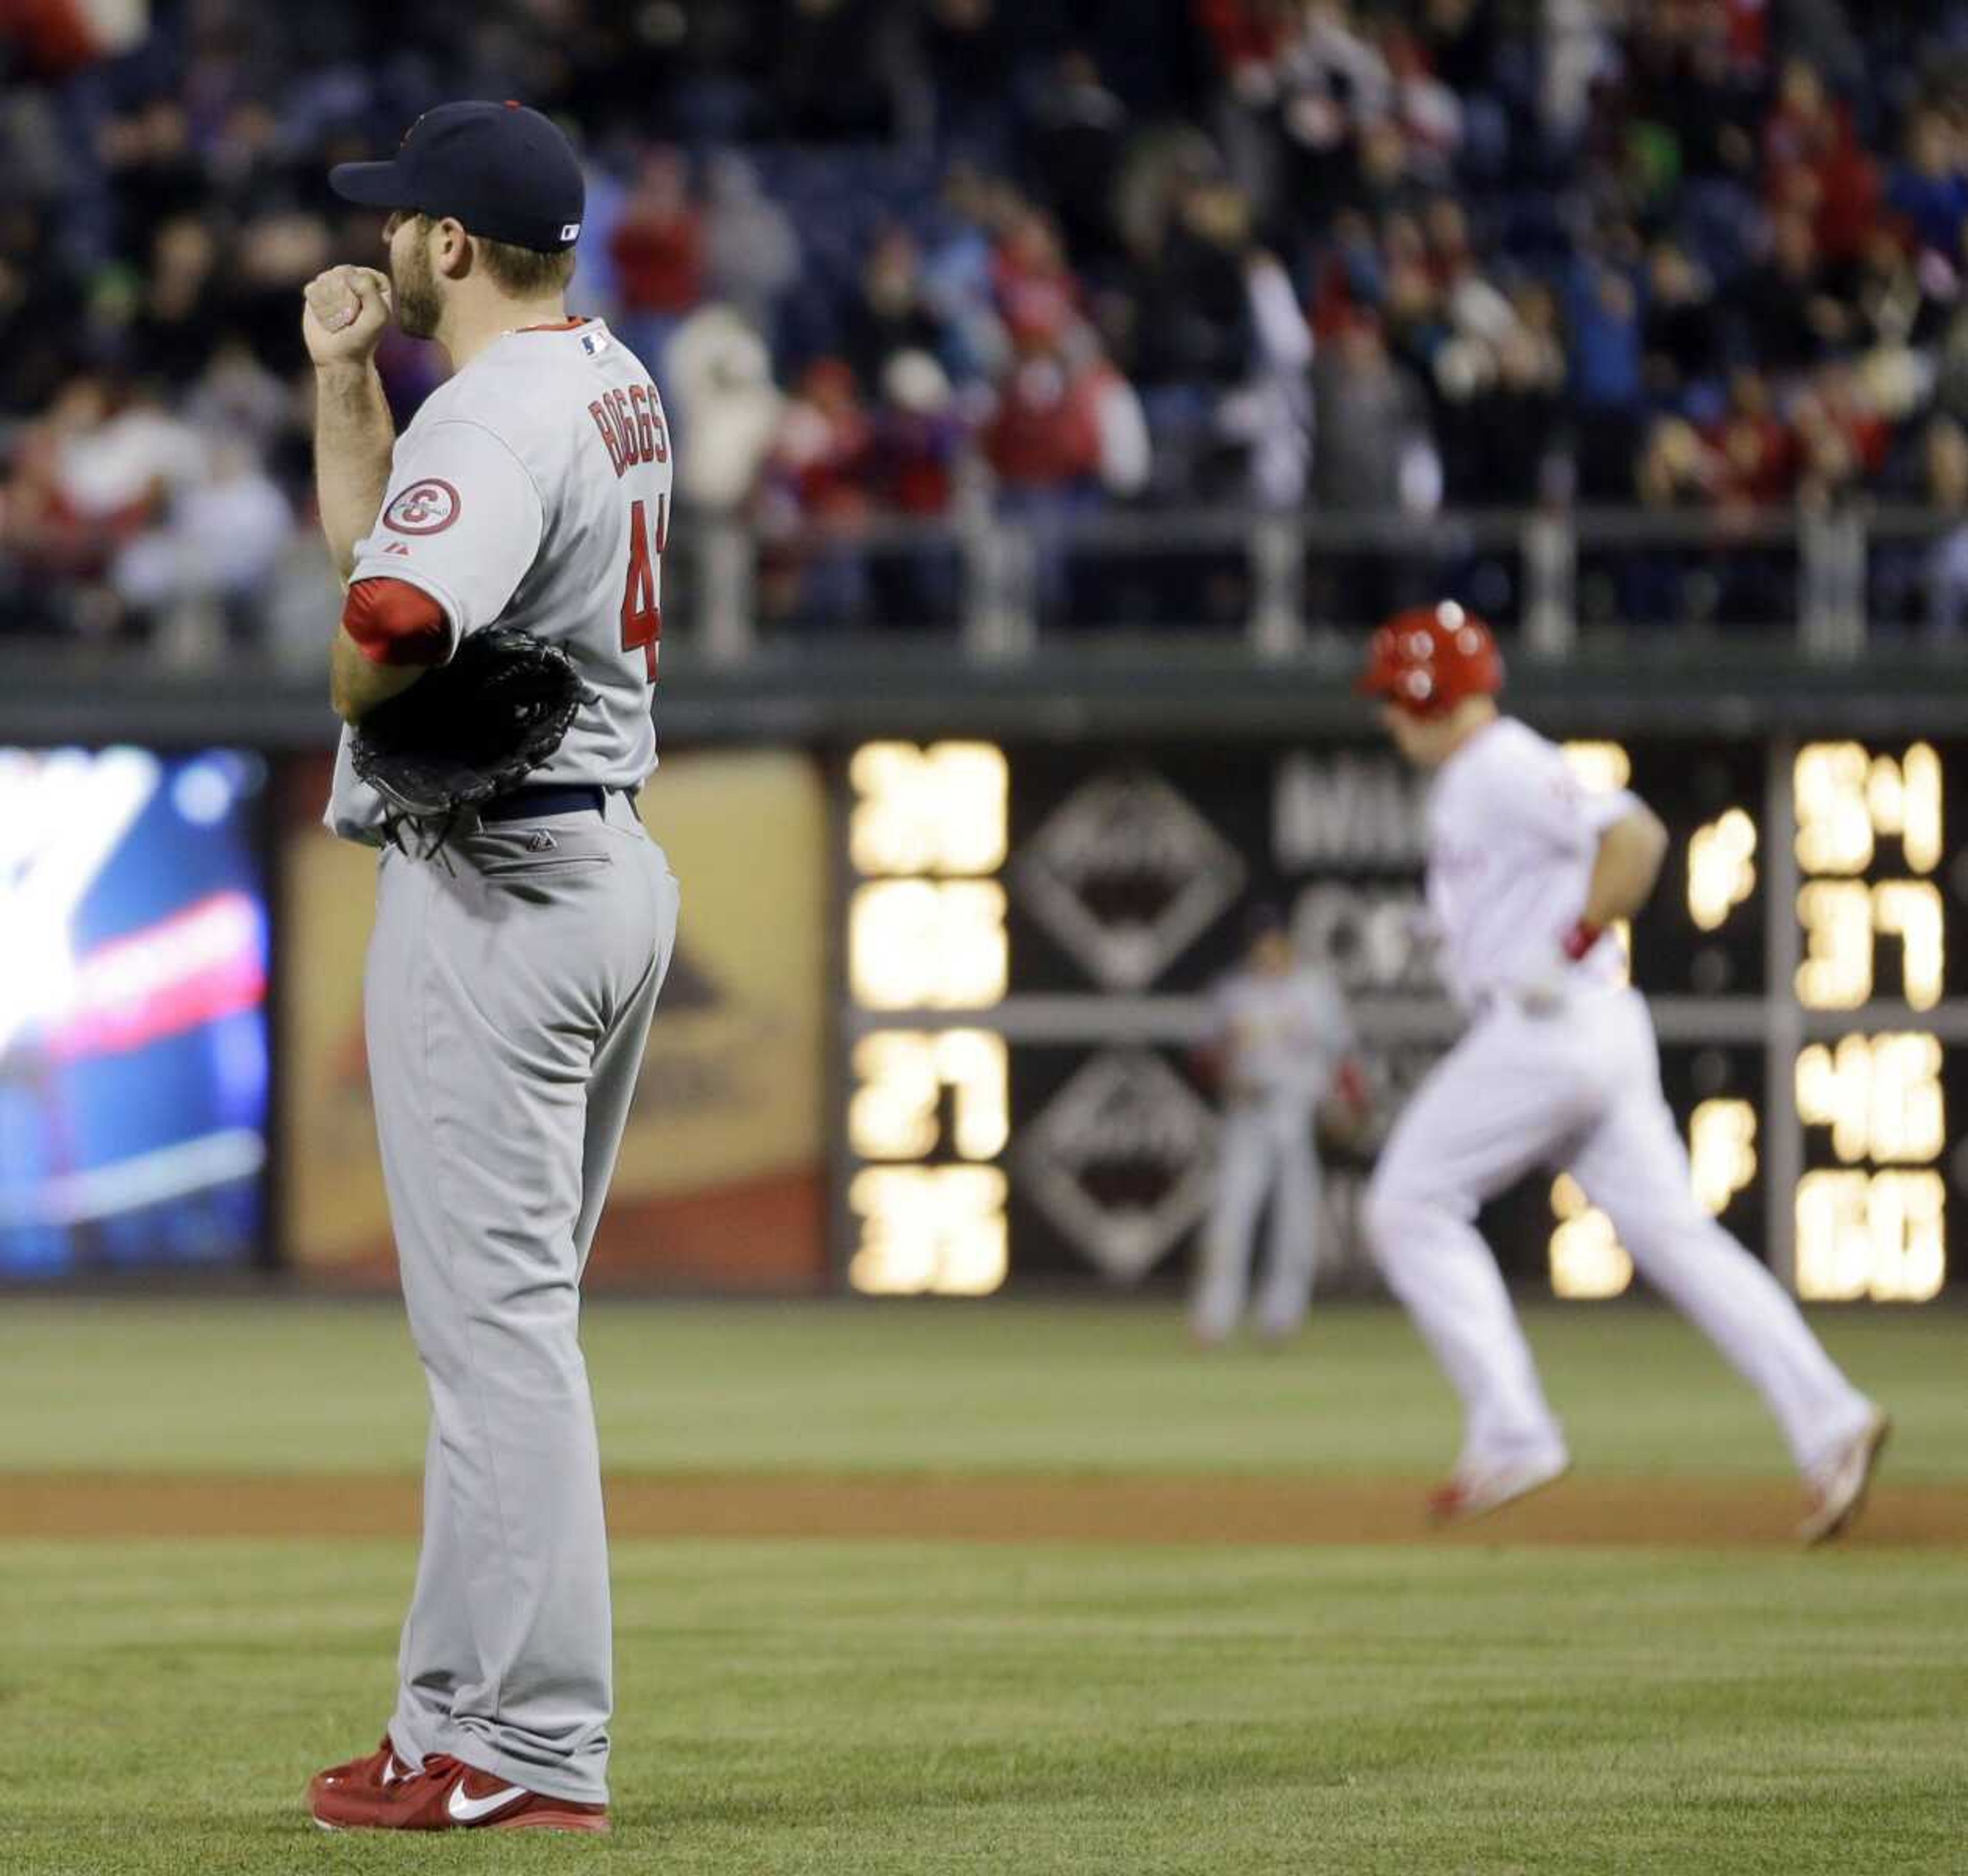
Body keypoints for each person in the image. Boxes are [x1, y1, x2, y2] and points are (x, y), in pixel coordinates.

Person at [299, 100, 682, 1833]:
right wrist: (342, 388)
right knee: (494, 1338)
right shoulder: (604, 373)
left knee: (502, 1342)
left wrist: (373, 697)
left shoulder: (501, 417)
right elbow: (400, 548)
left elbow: (388, 616)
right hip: (598, 863)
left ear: (450, 245)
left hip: (502, 887)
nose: (383, 241)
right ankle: (444, 1716)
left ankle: (535, 1751)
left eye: (400, 222)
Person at [1357, 602, 1889, 1542]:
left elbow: (1635, 837)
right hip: (1587, 1028)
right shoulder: (1474, 780)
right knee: (1679, 1239)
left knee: (1406, 1204)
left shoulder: (1504, 764)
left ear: (1427, 692)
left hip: (1549, 1027)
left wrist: (1573, 936)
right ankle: (1831, 1421)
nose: (1387, 719)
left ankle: (1514, 1428)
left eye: (1394, 699)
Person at [1190, 905, 1364, 1344]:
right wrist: (1226, 1057)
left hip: (1297, 1110)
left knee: (1296, 1218)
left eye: (1273, 941)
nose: (1266, 950)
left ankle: (1282, 1316)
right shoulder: (1233, 992)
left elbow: (1343, 1057)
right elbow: (1202, 1058)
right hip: (1246, 1112)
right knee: (1231, 1215)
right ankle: (1215, 1314)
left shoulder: (1314, 990)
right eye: (1259, 943)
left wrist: (1348, 1105)